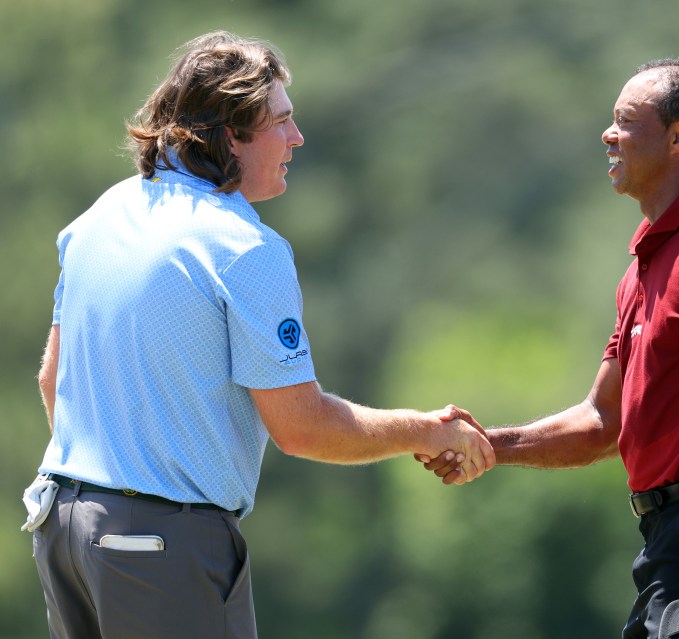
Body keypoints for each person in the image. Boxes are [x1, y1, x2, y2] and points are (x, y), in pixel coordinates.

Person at [28, 31, 494, 639]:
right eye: (280, 122)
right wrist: (425, 430)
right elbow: (302, 428)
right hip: (162, 547)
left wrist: (109, 484)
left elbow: (51, 379)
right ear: (230, 136)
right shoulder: (246, 247)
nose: (297, 138)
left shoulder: (101, 214)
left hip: (61, 531)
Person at [421, 58, 679, 638]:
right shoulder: (645, 268)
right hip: (670, 544)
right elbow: (603, 420)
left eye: (625, 121)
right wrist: (489, 445)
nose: (607, 135)